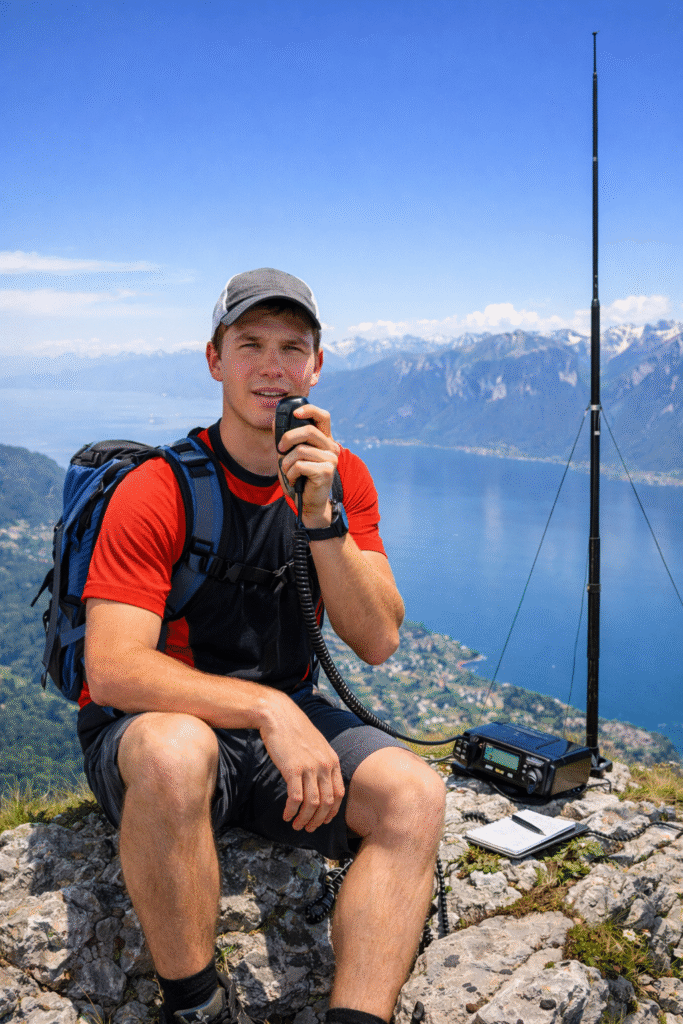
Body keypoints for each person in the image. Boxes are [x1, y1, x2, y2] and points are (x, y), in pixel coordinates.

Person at [80, 268, 446, 1024]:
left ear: (317, 366)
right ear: (214, 360)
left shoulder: (341, 479)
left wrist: (321, 517)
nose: (272, 367)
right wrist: (270, 710)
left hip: (284, 734)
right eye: (250, 345)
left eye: (292, 348)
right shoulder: (158, 488)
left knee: (413, 795)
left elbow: (378, 638)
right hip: (161, 731)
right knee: (177, 752)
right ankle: (196, 1008)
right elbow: (112, 668)